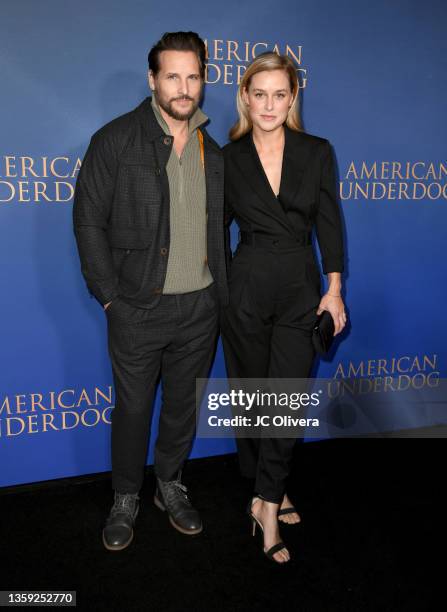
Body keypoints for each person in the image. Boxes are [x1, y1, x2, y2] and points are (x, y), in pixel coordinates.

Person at [73, 31, 227, 551]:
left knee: (183, 406)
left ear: (203, 80)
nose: (183, 88)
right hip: (137, 307)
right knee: (134, 409)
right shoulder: (115, 140)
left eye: (193, 76)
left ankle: (170, 485)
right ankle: (124, 496)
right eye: (172, 76)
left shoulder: (215, 151)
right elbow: (88, 221)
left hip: (200, 308)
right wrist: (110, 297)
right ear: (153, 80)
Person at [221, 52, 346, 563]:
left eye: (280, 94)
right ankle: (263, 485)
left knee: (285, 400)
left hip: (299, 284)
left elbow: (330, 225)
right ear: (246, 97)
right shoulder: (226, 158)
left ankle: (268, 505)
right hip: (244, 286)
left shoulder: (316, 151)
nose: (269, 104)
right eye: (260, 93)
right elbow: (213, 230)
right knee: (251, 397)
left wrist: (333, 290)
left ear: (292, 97)